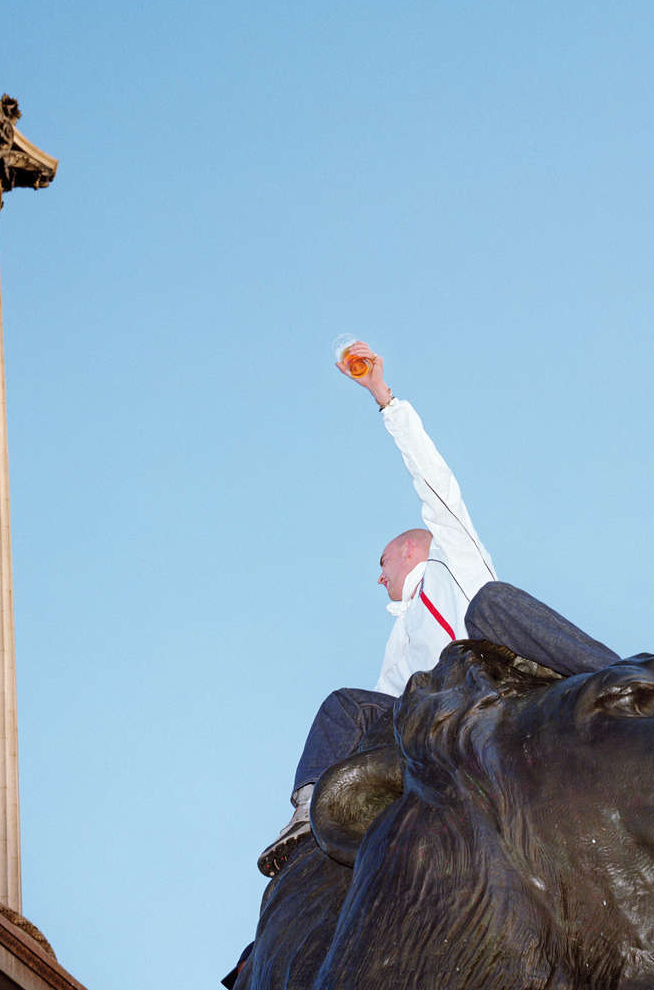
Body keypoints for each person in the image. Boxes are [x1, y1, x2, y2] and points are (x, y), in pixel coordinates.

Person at [257, 342, 616, 877]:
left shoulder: (456, 558)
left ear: (409, 549)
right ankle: (309, 817)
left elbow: (432, 476)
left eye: (382, 562)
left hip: (498, 673)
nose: (378, 577)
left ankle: (617, 678)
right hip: (440, 714)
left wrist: (383, 398)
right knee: (345, 705)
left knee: (494, 601)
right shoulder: (399, 640)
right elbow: (385, 705)